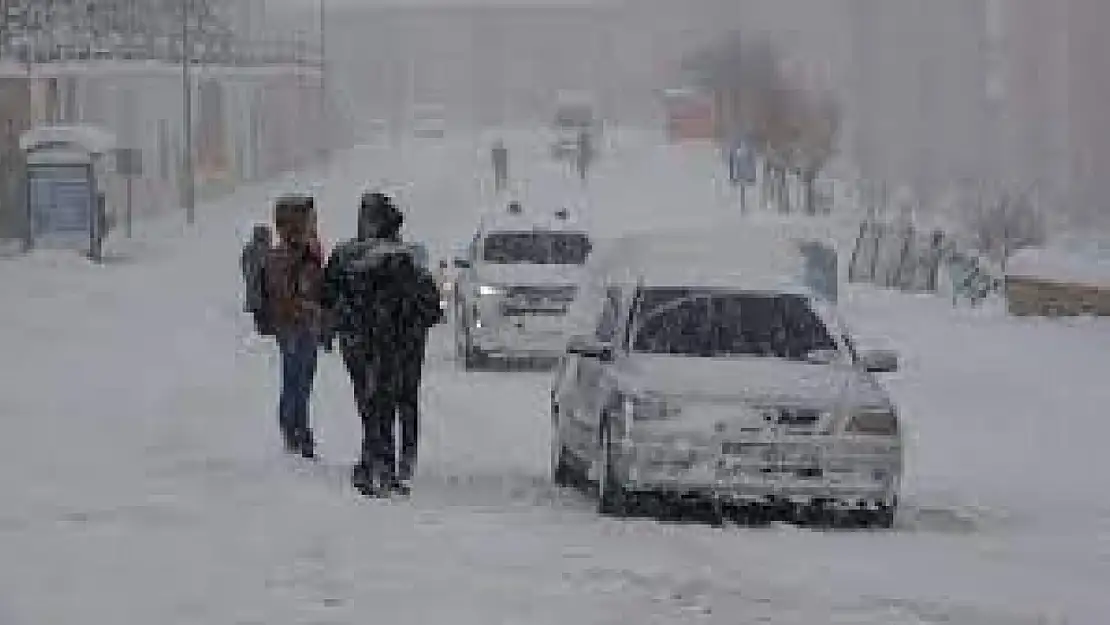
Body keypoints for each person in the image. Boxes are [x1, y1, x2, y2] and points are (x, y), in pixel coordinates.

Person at [322, 192, 442, 496]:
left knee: (373, 405)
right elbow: (428, 306)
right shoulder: (405, 259)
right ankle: (384, 466)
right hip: (392, 343)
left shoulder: (347, 256)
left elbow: (329, 297)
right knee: (388, 404)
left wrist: (339, 325)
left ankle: (375, 466)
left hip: (363, 341)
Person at [265, 195, 325, 458]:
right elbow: (284, 296)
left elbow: (317, 287)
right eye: (309, 218)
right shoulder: (282, 256)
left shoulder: (309, 251)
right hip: (291, 327)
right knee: (295, 379)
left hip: (306, 325)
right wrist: (306, 308)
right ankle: (296, 430)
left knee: (303, 379)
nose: (313, 223)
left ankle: (298, 427)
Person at [240, 223, 274, 337]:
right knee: (267, 328)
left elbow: (244, 269)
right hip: (265, 295)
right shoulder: (267, 251)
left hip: (252, 293)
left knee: (259, 323)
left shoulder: (247, 249)